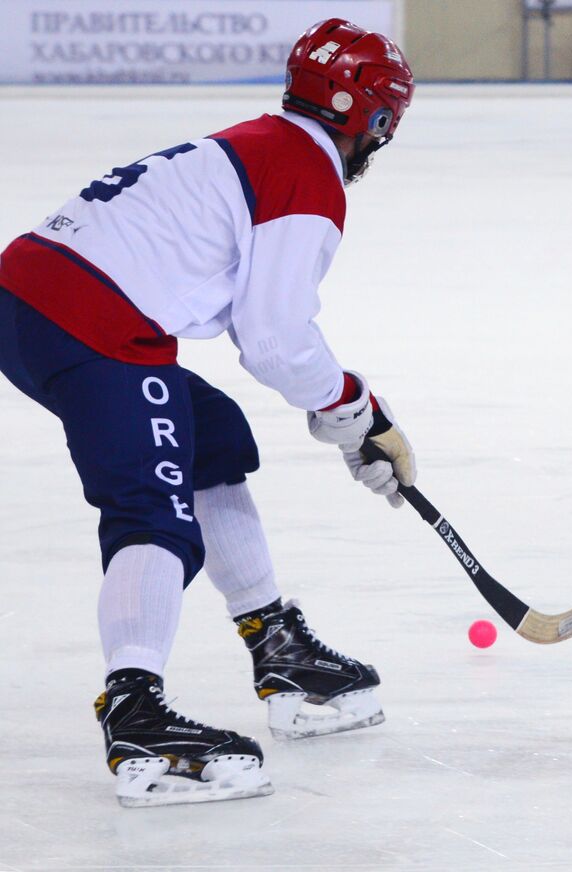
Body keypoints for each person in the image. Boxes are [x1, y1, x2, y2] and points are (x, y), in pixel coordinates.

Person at [0, 19, 417, 807]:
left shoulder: (262, 141)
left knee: (212, 436)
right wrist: (357, 414)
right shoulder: (307, 174)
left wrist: (351, 417)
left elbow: (251, 321)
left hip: (29, 295)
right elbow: (275, 339)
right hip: (93, 320)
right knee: (152, 516)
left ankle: (277, 647)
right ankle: (138, 716)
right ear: (377, 122)